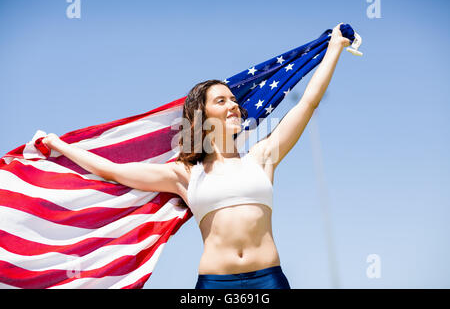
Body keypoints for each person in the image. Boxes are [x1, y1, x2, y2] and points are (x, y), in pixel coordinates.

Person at [42, 23, 350, 289]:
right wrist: (62, 146)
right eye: (221, 100)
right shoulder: (185, 174)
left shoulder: (262, 156)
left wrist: (334, 47)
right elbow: (114, 172)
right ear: (202, 116)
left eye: (234, 100)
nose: (233, 105)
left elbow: (307, 103)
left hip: (269, 278)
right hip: (214, 283)